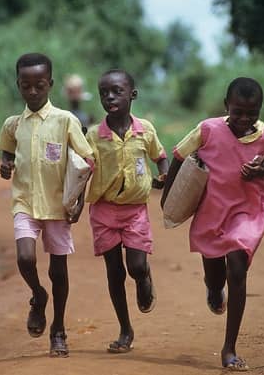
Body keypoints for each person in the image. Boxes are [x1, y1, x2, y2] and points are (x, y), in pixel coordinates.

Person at [161, 77, 264, 371]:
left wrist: (261, 171)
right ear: (226, 106)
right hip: (211, 210)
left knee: (237, 266)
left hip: (248, 209)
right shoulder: (208, 130)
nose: (244, 119)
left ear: (260, 110)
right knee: (216, 275)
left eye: (252, 113)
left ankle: (229, 349)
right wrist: (168, 196)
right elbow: (179, 156)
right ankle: (214, 289)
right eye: (238, 111)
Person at [0, 52, 94, 358]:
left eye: (39, 85)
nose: (33, 91)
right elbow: (8, 152)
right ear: (19, 85)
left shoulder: (66, 121)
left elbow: (86, 161)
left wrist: (78, 201)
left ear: (50, 84)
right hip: (25, 201)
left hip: (57, 206)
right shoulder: (13, 124)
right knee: (25, 258)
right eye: (26, 86)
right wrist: (6, 164)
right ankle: (38, 296)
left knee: (59, 272)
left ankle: (59, 330)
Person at [85, 69, 169, 354]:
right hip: (103, 210)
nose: (109, 97)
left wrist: (164, 176)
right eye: (104, 93)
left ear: (132, 94)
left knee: (135, 266)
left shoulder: (145, 129)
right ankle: (125, 329)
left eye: (116, 91)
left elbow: (160, 156)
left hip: (135, 210)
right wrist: (72, 200)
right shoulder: (94, 135)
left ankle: (145, 277)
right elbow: (82, 168)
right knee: (114, 271)